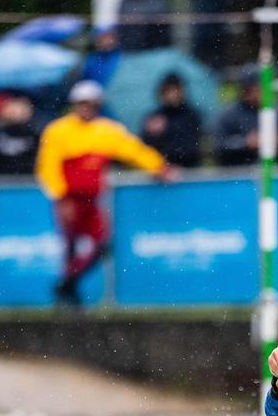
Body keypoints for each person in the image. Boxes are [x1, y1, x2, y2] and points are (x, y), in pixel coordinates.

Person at [36, 79, 176, 306]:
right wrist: (61, 197)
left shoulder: (107, 131)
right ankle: (70, 296)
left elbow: (133, 150)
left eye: (90, 103)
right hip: (69, 200)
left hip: (91, 201)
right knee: (70, 246)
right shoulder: (59, 130)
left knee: (102, 244)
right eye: (81, 103)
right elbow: (47, 166)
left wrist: (159, 167)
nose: (85, 108)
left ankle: (68, 283)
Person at [214, 65, 278, 167]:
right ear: (247, 90)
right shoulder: (229, 115)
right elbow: (219, 145)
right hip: (238, 174)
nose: (264, 92)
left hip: (274, 171)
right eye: (259, 88)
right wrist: (245, 143)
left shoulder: (276, 111)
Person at [141, 72, 202, 168]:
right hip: (161, 171)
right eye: (168, 91)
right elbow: (144, 149)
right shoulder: (154, 117)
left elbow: (192, 147)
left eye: (175, 90)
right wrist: (153, 135)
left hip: (188, 170)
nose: (171, 95)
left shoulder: (192, 115)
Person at [0, 94, 40, 175]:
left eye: (23, 108)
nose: (17, 112)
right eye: (11, 108)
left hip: (28, 179)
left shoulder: (35, 133)